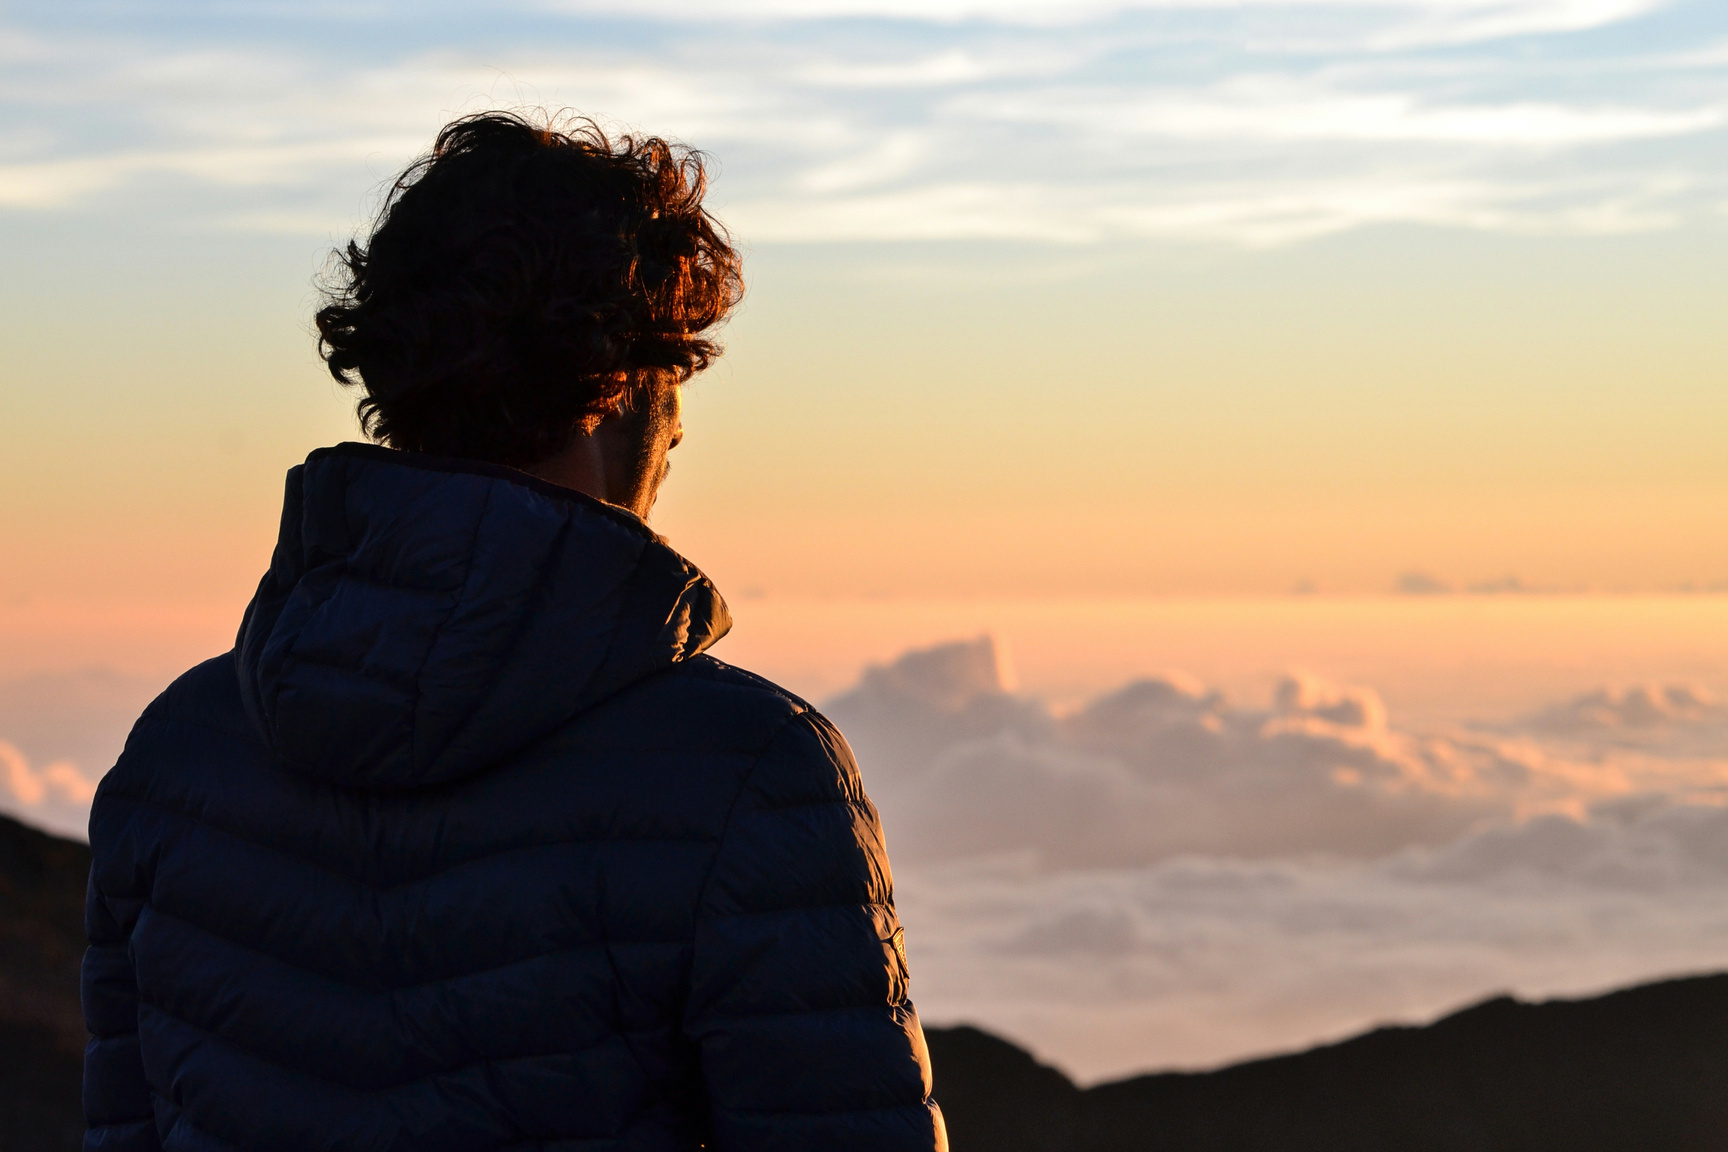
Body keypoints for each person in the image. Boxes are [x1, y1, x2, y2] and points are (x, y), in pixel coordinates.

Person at [81, 111, 947, 1151]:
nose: (679, 434)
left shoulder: (179, 756)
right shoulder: (751, 777)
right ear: (619, 385)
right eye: (678, 381)